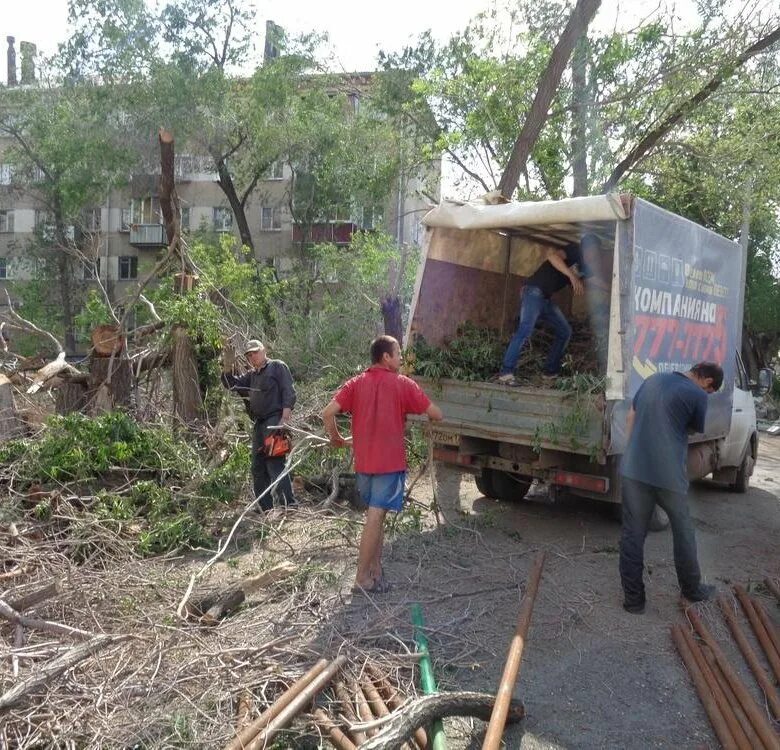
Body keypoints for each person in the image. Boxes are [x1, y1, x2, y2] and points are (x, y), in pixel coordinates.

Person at [322, 335, 443, 594]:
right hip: (389, 464)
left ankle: (376, 572)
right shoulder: (403, 384)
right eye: (398, 352)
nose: (401, 357)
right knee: (376, 517)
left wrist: (337, 439)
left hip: (364, 464)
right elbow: (436, 414)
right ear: (386, 357)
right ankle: (362, 579)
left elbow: (328, 412)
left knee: (375, 517)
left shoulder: (356, 383)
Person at [619, 361, 724, 614]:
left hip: (634, 471)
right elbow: (689, 430)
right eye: (711, 390)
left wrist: (631, 454)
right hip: (668, 477)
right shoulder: (697, 395)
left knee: (633, 535)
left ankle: (634, 602)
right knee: (683, 531)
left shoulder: (653, 380)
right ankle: (691, 590)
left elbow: (631, 416)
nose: (708, 394)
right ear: (708, 382)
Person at [497, 234, 600, 385]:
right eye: (593, 251)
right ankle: (506, 373)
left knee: (565, 331)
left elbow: (595, 282)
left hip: (545, 299)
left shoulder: (585, 267)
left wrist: (614, 291)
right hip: (533, 291)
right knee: (525, 329)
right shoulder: (574, 250)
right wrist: (571, 276)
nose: (594, 256)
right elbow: (553, 257)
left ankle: (549, 372)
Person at [222, 339, 297, 511]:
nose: (252, 357)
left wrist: (284, 419)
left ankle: (288, 505)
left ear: (264, 350)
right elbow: (232, 385)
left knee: (275, 462)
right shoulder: (251, 376)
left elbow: (289, 391)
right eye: (249, 355)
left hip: (274, 421)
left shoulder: (277, 366)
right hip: (259, 423)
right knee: (257, 466)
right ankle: (265, 507)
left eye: (255, 352)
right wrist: (227, 367)